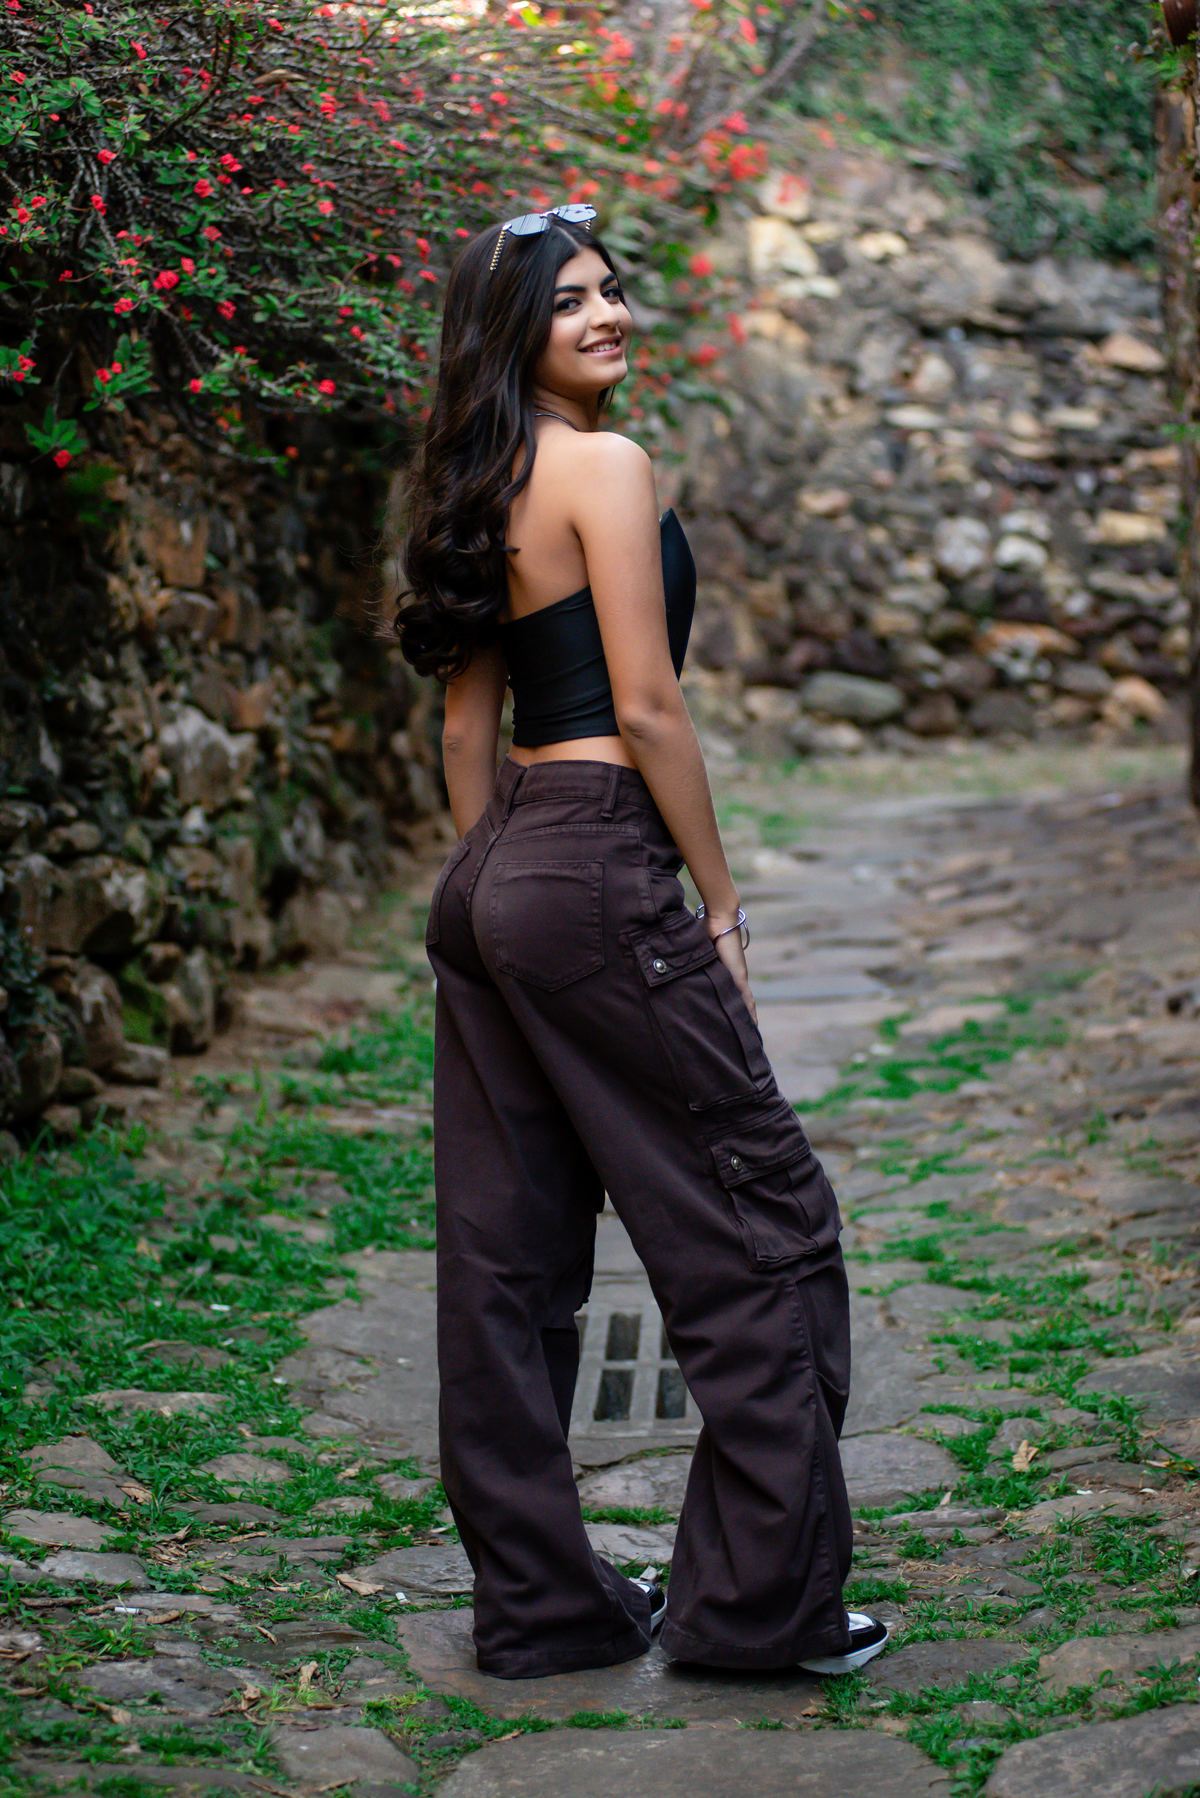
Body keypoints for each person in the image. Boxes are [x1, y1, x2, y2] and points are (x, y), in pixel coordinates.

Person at [395, 203, 889, 1683]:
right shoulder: (606, 467)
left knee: (506, 1259)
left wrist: (498, 902)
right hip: (595, 863)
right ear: (514, 333)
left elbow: (465, 731)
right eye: (570, 302)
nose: (608, 314)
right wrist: (717, 905)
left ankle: (541, 1609)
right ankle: (760, 1609)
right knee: (762, 1223)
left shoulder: (480, 479)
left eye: (612, 290)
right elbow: (650, 706)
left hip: (494, 875)